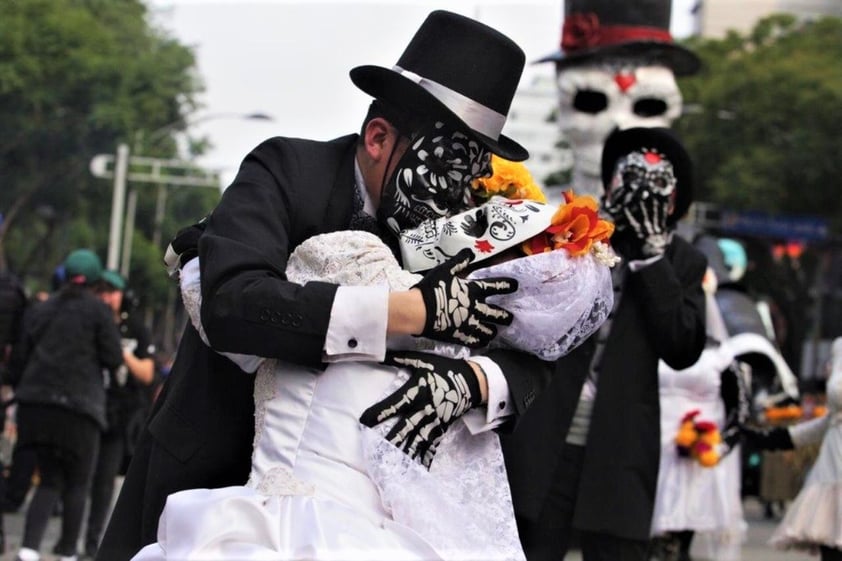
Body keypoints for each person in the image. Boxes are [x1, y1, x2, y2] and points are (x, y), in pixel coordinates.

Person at [98, 11, 556, 560]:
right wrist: (410, 313)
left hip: (374, 519)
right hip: (210, 474)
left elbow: (530, 345)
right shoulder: (285, 171)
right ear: (379, 137)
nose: (460, 197)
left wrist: (477, 382)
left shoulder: (473, 224)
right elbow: (232, 304)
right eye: (448, 168)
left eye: (474, 175)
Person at [132, 178, 618, 559]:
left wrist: (197, 255)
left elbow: (224, 320)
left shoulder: (446, 322)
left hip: (289, 521)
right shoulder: (460, 324)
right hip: (363, 525)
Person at [500, 126, 708, 561]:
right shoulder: (574, 232)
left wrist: (653, 258)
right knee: (527, 542)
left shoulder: (684, 261)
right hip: (545, 430)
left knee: (616, 548)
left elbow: (682, 346)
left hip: (620, 442)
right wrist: (589, 236)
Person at [8, 249, 123, 561]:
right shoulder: (99, 312)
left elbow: (19, 360)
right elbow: (113, 358)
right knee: (77, 483)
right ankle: (68, 553)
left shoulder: (41, 310)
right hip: (80, 408)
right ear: (96, 281)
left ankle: (29, 549)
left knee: (47, 479)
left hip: (37, 406)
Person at [649, 266, 751, 561]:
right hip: (652, 444)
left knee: (678, 537)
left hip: (696, 456)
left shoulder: (722, 358)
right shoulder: (653, 347)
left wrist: (716, 445)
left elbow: (739, 411)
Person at [743, 336, 842, 561]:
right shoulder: (840, 347)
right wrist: (778, 438)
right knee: (831, 544)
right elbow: (831, 420)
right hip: (833, 465)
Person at [83, 270, 156, 559]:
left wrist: (119, 349)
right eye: (100, 292)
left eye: (111, 292)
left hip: (118, 415)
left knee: (104, 482)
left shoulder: (134, 328)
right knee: (78, 480)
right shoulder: (87, 321)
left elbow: (147, 373)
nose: (106, 298)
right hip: (90, 407)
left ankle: (92, 543)